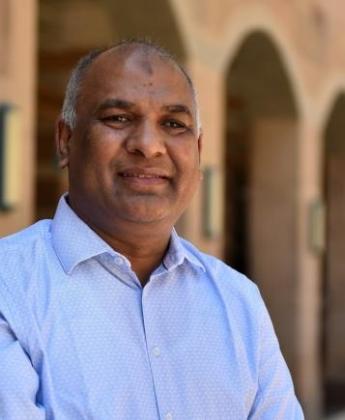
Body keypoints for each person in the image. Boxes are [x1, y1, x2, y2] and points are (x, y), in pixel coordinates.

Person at [0, 40, 304, 419]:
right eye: (118, 118)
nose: (148, 146)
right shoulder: (8, 288)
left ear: (198, 152)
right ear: (66, 141)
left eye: (173, 124)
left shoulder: (238, 301)